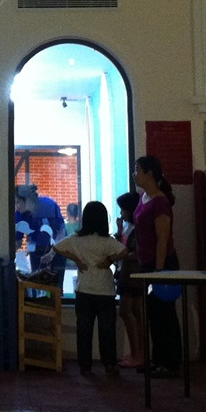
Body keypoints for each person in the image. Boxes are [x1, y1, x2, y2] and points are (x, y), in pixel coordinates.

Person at [54, 201, 126, 378]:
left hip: (84, 289)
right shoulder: (107, 241)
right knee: (107, 330)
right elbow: (124, 251)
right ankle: (109, 365)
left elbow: (57, 247)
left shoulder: (76, 239)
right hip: (105, 290)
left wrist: (77, 260)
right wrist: (109, 261)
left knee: (84, 330)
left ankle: (85, 366)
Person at [134, 155, 181, 377]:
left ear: (149, 173)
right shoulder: (143, 197)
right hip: (147, 265)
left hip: (161, 265)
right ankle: (158, 359)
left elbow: (162, 238)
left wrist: (159, 272)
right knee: (153, 313)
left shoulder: (160, 202)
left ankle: (170, 363)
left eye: (138, 170)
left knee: (165, 314)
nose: (135, 174)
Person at [115, 190, 145, 369]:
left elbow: (137, 252)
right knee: (137, 312)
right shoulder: (132, 227)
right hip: (133, 274)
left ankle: (136, 353)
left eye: (123, 209)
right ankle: (139, 353)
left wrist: (121, 256)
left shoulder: (137, 228)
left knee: (126, 311)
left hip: (131, 274)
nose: (121, 213)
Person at [14, 184, 66, 278]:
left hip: (56, 248)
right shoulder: (19, 214)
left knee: (56, 283)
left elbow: (61, 232)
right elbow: (17, 241)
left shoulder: (49, 206)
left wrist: (52, 253)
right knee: (37, 281)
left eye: (18, 202)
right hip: (36, 251)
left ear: (28, 200)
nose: (16, 206)